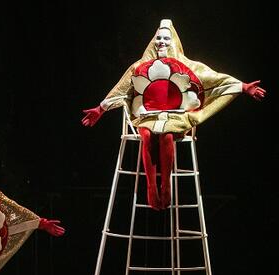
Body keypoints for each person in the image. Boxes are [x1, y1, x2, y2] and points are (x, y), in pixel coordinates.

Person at [81, 19, 265, 210]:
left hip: (177, 117)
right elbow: (122, 89)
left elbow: (214, 79)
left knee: (166, 135)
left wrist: (242, 86)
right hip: (148, 116)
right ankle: (151, 185)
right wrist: (101, 109)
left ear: (174, 41)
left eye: (166, 38)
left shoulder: (186, 65)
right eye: (158, 38)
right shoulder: (141, 66)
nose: (162, 42)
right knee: (146, 134)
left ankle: (166, 183)